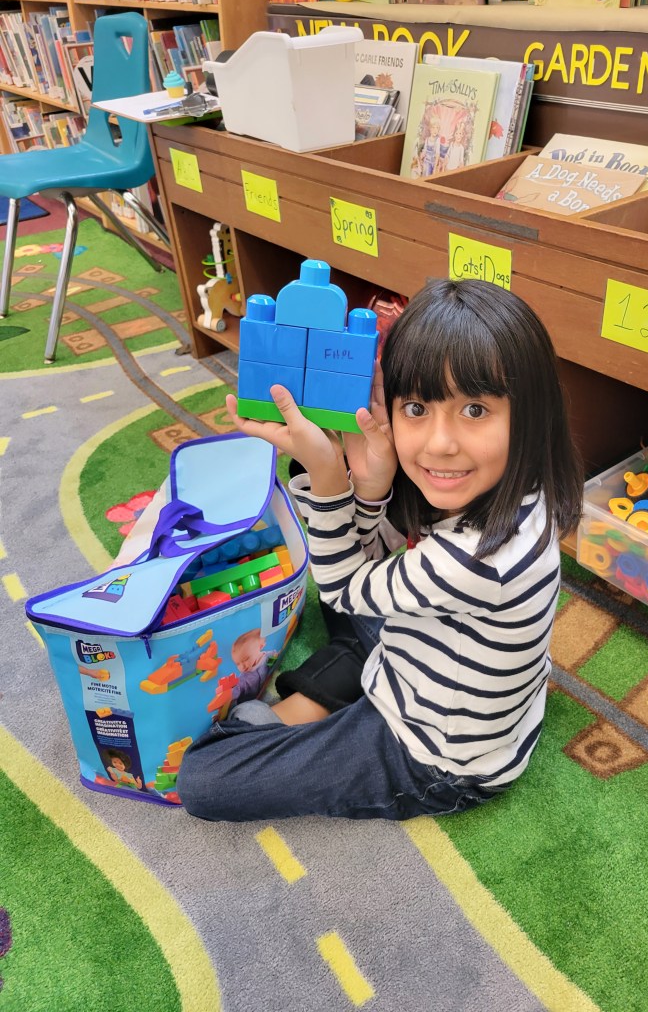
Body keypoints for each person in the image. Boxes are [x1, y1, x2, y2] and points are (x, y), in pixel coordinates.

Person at [177, 278, 583, 822]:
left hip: (439, 759)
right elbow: (365, 566)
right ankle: (347, 679)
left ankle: (335, 691)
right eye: (416, 407)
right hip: (443, 665)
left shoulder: (479, 558)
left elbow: (346, 588)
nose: (440, 442)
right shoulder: (521, 484)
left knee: (205, 780)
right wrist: (369, 486)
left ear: (532, 414)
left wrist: (329, 478)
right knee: (348, 589)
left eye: (476, 411)